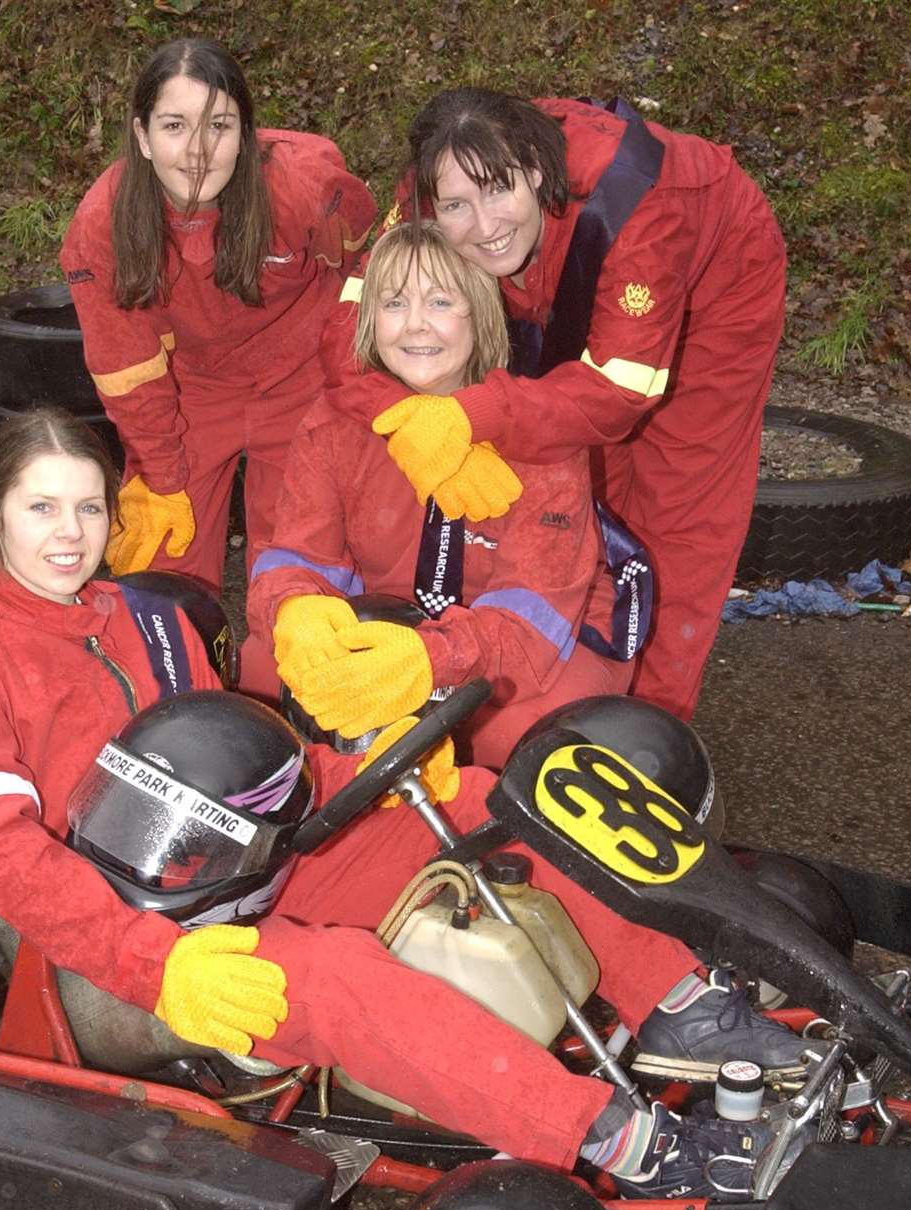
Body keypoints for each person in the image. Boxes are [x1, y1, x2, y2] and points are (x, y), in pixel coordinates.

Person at [0, 408, 805, 1201]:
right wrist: (158, 964)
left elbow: (250, 776)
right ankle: (627, 1142)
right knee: (337, 978)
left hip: (239, 875)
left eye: (87, 506)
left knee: (491, 804)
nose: (67, 532)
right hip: (114, 955)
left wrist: (376, 770)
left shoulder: (144, 619)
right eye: (40, 507)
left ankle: (684, 1005)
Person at [322, 87, 787, 722]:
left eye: (498, 191)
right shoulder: (425, 191)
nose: (482, 226)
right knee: (552, 473)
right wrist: (408, 416)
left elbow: (617, 395)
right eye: (457, 205)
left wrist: (469, 416)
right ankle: (543, 671)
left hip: (714, 278)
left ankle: (647, 735)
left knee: (674, 512)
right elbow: (349, 331)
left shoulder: (648, 210)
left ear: (537, 171)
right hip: (557, 264)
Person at [245, 222, 636, 769]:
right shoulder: (336, 420)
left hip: (540, 641)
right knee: (264, 675)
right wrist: (296, 610)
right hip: (398, 618)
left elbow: (531, 627)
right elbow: (296, 553)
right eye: (394, 302)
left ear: (479, 313)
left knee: (519, 743)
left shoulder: (541, 431)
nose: (416, 325)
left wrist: (431, 660)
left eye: (441, 301)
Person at [59, 37, 376, 591]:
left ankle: (285, 668)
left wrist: (351, 395)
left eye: (220, 126)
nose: (198, 151)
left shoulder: (303, 190)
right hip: (192, 389)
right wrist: (160, 473)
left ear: (246, 136)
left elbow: (369, 279)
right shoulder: (102, 226)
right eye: (175, 126)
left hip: (302, 374)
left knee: (302, 567)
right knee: (158, 560)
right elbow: (125, 367)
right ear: (143, 137)